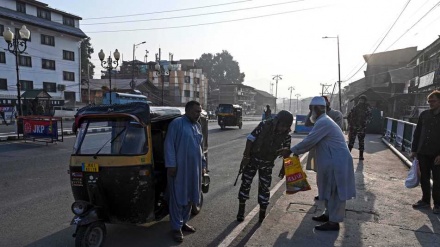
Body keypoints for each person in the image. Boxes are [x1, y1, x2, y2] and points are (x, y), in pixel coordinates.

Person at [280, 96, 356, 231]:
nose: (309, 113)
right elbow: (311, 133)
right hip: (331, 161)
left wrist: (291, 150)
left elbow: (310, 140)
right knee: (327, 188)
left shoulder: (324, 122)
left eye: (311, 110)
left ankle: (334, 222)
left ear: (315, 109)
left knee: (335, 191)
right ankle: (328, 215)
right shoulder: (322, 120)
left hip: (337, 162)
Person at [237, 110, 294, 223]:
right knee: (245, 184)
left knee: (264, 188)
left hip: (267, 164)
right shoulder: (264, 125)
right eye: (282, 125)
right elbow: (250, 139)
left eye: (286, 127)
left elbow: (286, 154)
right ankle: (241, 211)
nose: (282, 129)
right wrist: (246, 157)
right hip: (252, 160)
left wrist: (284, 169)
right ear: (276, 122)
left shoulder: (286, 136)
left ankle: (262, 215)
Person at [164, 100, 207, 242]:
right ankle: (176, 228)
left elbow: (200, 148)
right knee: (178, 198)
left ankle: (183, 222)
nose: (198, 114)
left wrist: (203, 165)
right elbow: (169, 145)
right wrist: (171, 164)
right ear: (187, 111)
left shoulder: (198, 126)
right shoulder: (177, 123)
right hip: (179, 169)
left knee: (190, 197)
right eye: (196, 111)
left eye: (199, 112)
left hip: (194, 169)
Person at [306, 96, 343, 200]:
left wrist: (293, 151)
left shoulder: (333, 116)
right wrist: (312, 112)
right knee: (320, 173)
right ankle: (322, 194)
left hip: (330, 150)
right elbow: (307, 123)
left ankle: (328, 198)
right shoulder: (316, 116)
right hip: (319, 149)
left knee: (330, 176)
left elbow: (309, 140)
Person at [410, 90, 440, 214]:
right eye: (429, 101)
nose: (430, 103)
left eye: (433, 101)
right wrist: (414, 149)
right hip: (423, 151)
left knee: (438, 180)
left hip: (437, 154)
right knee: (424, 177)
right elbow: (417, 133)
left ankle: (438, 204)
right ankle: (425, 201)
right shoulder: (424, 115)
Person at [347, 94, 372, 160]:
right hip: (354, 127)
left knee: (361, 142)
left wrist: (365, 123)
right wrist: (350, 124)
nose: (361, 101)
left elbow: (370, 117)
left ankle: (361, 156)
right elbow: (349, 116)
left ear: (365, 101)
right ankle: (348, 155)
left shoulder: (367, 109)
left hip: (362, 128)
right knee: (351, 142)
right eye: (360, 100)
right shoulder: (355, 108)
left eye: (362, 100)